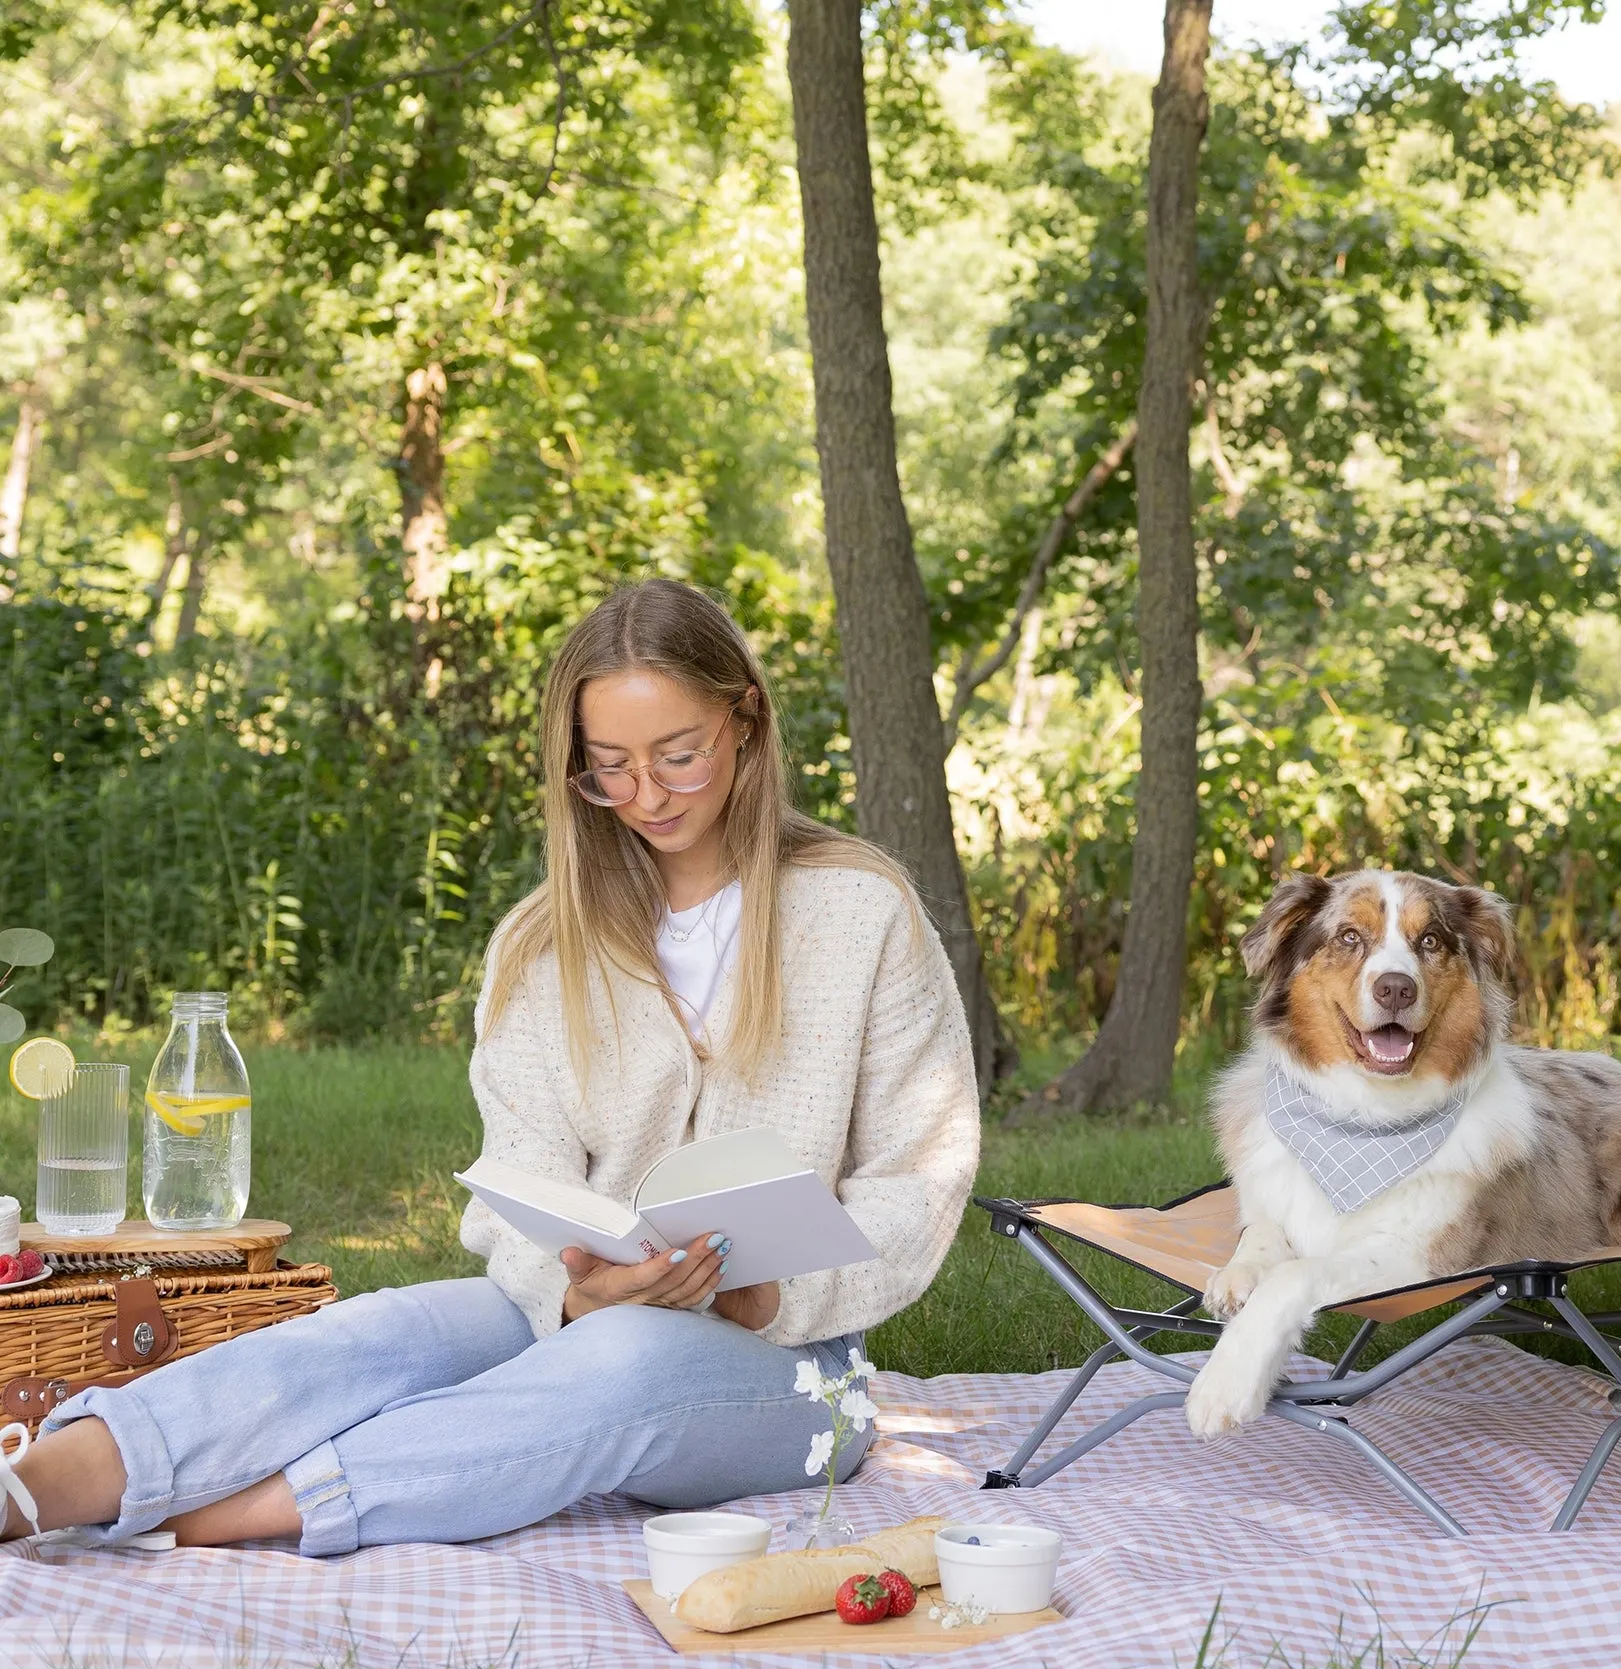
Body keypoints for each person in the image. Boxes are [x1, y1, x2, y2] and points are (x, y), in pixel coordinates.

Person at [0, 580, 980, 1554]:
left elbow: (916, 1179)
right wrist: (572, 1291)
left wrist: (769, 1294)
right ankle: (42, 1481)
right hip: (578, 1317)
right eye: (610, 767)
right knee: (381, 1333)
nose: (645, 796)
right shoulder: (541, 944)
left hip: (800, 1376)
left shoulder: (861, 912)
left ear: (746, 722)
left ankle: (229, 1515)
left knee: (627, 1359)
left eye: (678, 757)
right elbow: (523, 1170)